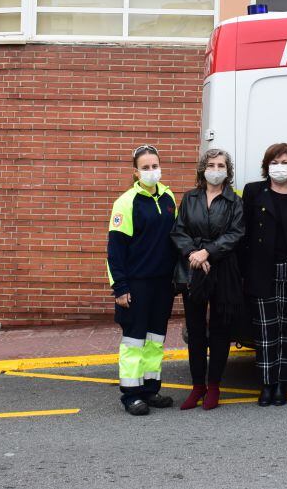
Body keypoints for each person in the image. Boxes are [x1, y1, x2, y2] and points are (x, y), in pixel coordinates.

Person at [240, 143, 287, 407]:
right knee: (265, 331)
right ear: (266, 165)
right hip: (262, 271)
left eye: (284, 162)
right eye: (275, 162)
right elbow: (244, 233)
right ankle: (267, 383)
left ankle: (283, 383)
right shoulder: (253, 192)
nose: (279, 167)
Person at [170, 148, 246, 411]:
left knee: (221, 330)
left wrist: (208, 251)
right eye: (211, 165)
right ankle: (197, 386)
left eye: (221, 165)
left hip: (223, 269)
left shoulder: (235, 201)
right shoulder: (189, 198)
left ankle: (214, 385)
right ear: (203, 169)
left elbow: (236, 233)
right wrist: (194, 253)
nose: (216, 169)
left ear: (228, 170)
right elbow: (179, 231)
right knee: (196, 330)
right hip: (194, 268)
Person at [107, 144, 179, 416]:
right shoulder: (126, 202)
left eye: (155, 166)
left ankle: (151, 388)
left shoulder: (169, 196)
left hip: (163, 284)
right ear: (135, 172)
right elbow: (115, 250)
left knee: (154, 340)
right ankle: (131, 395)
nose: (152, 171)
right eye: (146, 167)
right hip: (136, 284)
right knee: (134, 341)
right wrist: (120, 287)